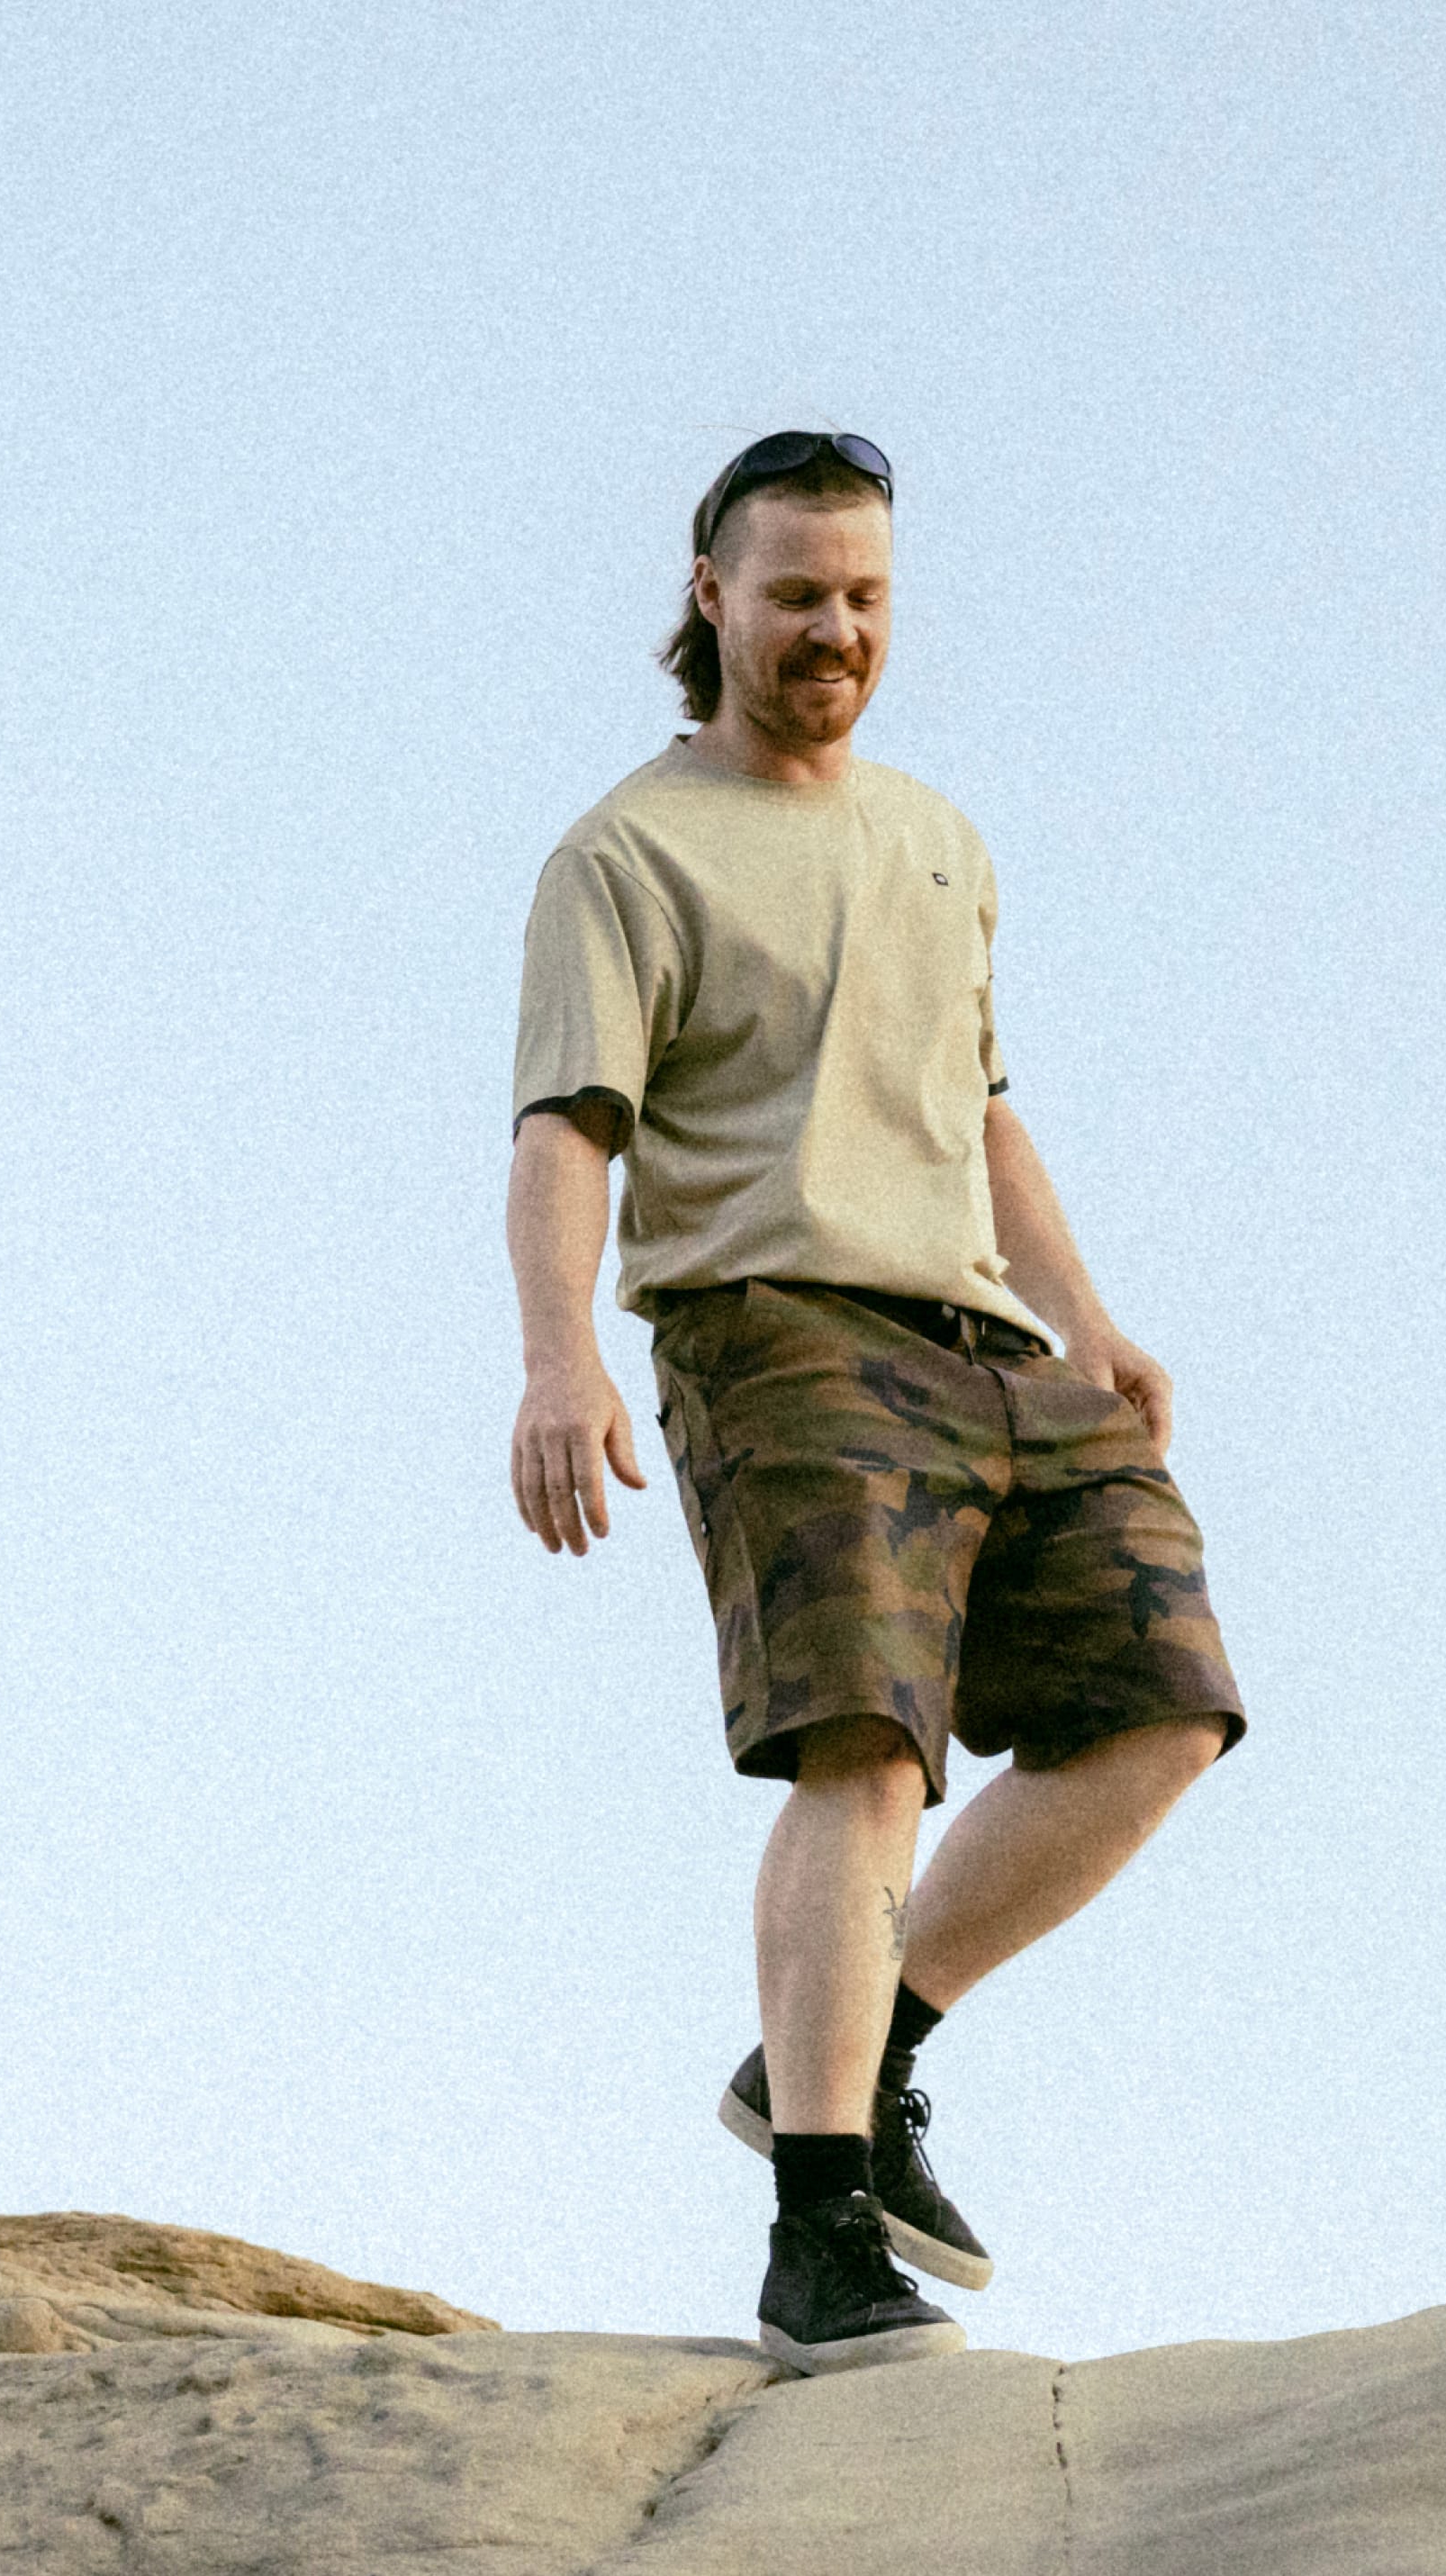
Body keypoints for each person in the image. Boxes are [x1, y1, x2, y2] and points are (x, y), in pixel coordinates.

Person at [506, 430, 1246, 2377]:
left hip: (987, 1340)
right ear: (708, 598)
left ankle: (863, 2041)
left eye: (865, 598)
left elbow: (978, 1103)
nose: (834, 629)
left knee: (1164, 1706)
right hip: (775, 1330)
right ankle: (819, 2232)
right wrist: (560, 1354)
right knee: (869, 1750)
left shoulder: (935, 832)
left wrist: (1088, 1317)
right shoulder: (625, 853)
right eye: (796, 595)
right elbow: (568, 1129)